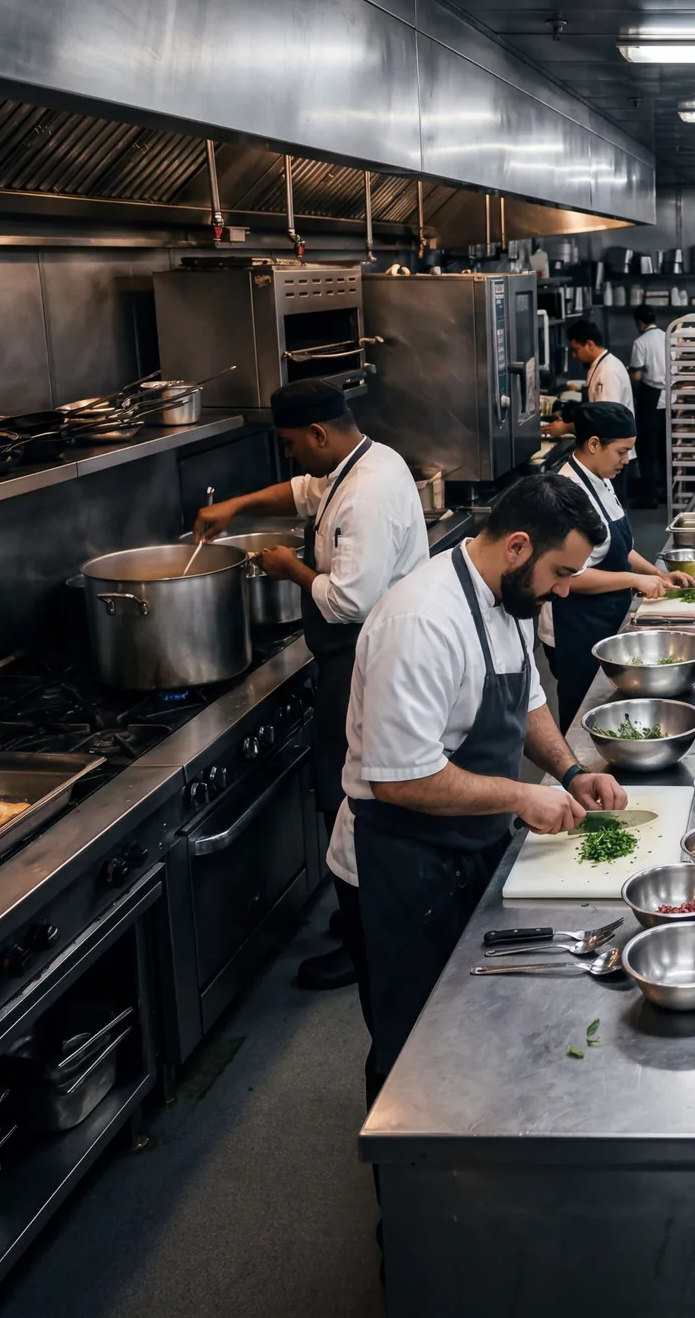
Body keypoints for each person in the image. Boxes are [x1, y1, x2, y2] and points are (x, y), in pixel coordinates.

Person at [327, 474, 626, 1098]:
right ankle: (400, 1158)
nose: (564, 590)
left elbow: (528, 699)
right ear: (517, 547)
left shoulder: (509, 598)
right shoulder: (420, 621)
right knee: (413, 1047)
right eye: (561, 573)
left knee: (476, 1022)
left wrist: (571, 772)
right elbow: (402, 779)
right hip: (400, 865)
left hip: (470, 847)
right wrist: (520, 795)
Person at [194, 379, 427, 993]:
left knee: (348, 795)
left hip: (362, 657)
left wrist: (288, 568)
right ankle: (359, 914)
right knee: (342, 789)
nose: (291, 456)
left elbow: (350, 601)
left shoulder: (366, 493)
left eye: (292, 444)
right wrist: (234, 507)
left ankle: (363, 939)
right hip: (350, 654)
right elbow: (303, 491)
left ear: (319, 433)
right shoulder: (359, 460)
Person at [542, 402, 695, 728]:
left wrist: (657, 573)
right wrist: (633, 581)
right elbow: (571, 578)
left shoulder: (601, 478)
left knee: (611, 710)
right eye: (622, 452)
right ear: (594, 444)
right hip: (574, 626)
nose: (627, 460)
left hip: (604, 614)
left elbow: (619, 548)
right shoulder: (567, 494)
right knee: (585, 716)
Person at [549, 318, 635, 504]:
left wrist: (565, 428)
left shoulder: (607, 371)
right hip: (608, 452)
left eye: (576, 349)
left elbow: (606, 420)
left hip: (612, 452)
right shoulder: (600, 366)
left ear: (589, 344)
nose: (574, 355)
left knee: (610, 505)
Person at [628, 306, 668, 508]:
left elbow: (636, 375)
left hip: (650, 398)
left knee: (646, 451)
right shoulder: (667, 337)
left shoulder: (641, 342)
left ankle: (649, 497)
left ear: (639, 323)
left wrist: (628, 372)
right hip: (670, 398)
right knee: (665, 451)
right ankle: (668, 493)